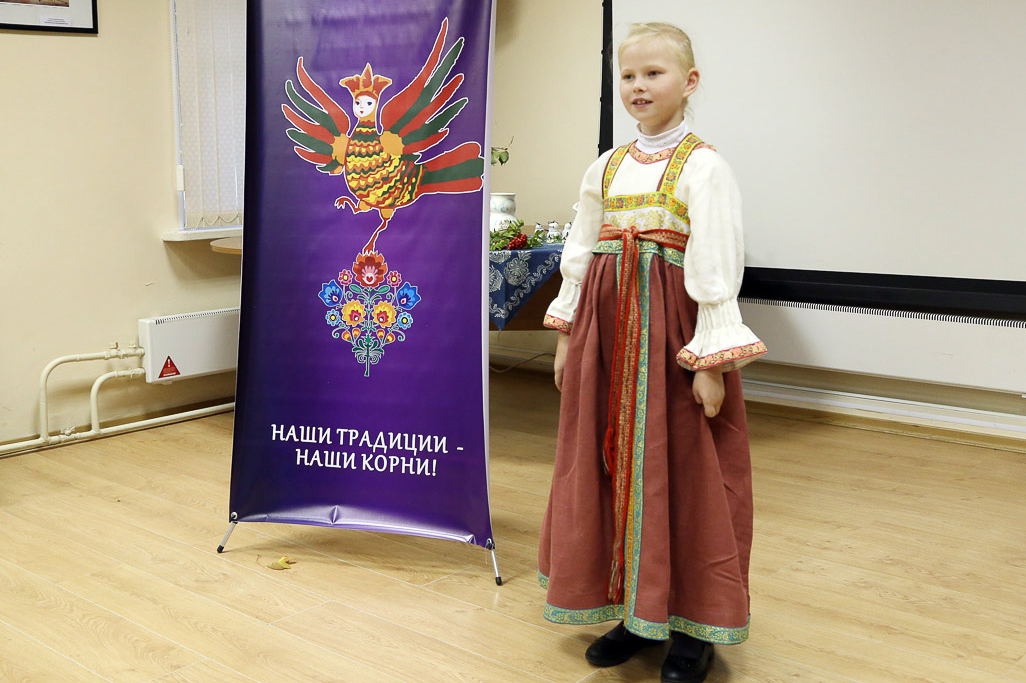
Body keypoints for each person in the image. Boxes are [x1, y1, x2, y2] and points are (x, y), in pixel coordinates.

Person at [538, 22, 766, 683]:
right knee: (608, 466)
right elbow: (581, 253)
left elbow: (716, 266)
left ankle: (692, 625)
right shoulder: (605, 167)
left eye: (653, 73)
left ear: (689, 82)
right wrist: (567, 337)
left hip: (673, 346)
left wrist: (711, 364)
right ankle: (633, 611)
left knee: (686, 477)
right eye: (628, 75)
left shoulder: (704, 166)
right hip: (607, 343)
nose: (638, 86)